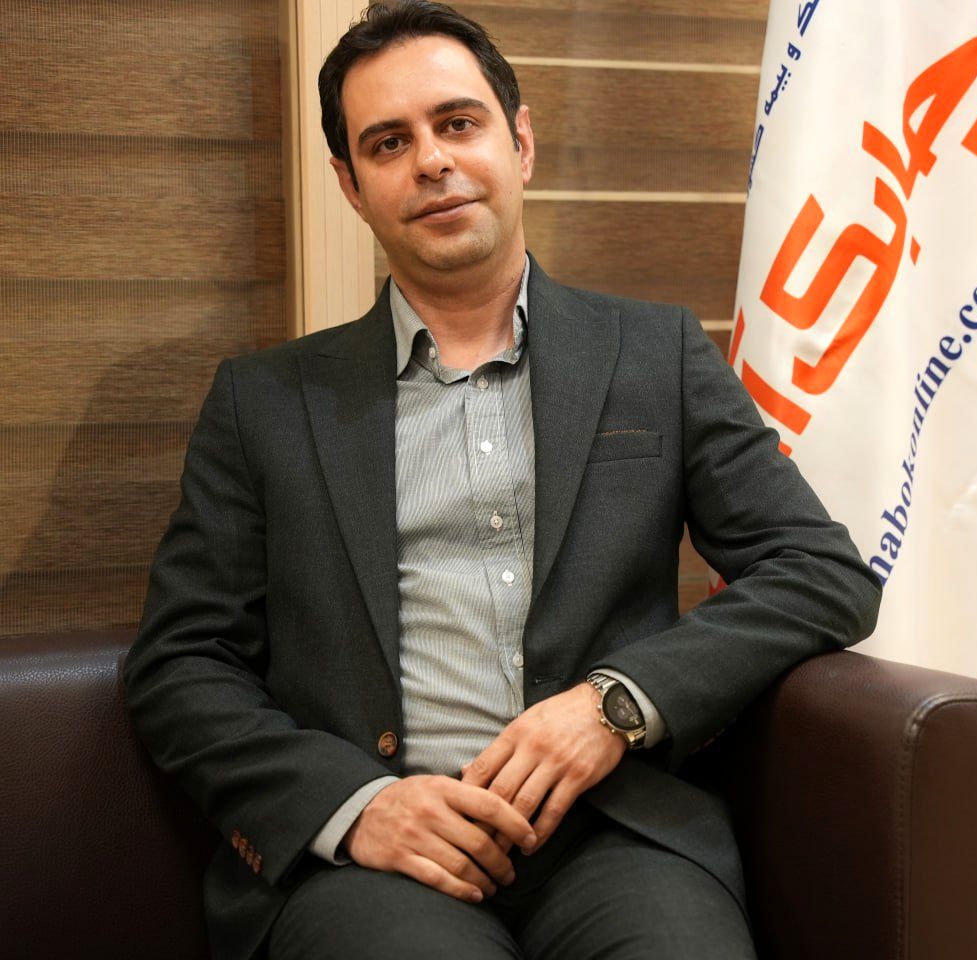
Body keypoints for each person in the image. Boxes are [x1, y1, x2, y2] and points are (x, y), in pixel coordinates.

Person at [123, 3, 882, 958]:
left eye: (458, 122)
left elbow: (821, 572)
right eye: (389, 143)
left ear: (519, 142)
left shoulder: (655, 354)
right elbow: (183, 663)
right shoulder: (264, 402)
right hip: (378, 862)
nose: (431, 161)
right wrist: (356, 807)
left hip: (620, 834)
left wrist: (615, 704)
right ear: (351, 185)